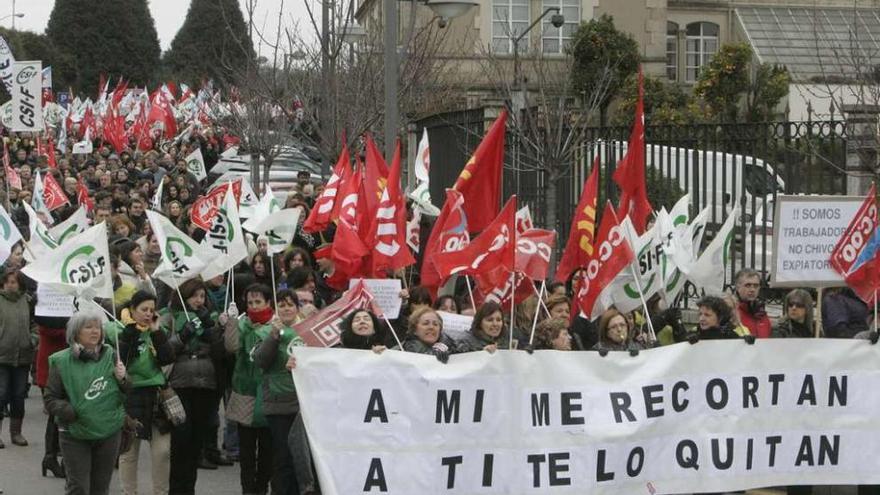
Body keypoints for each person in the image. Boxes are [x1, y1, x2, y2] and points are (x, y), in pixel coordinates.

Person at [44, 309, 128, 495]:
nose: (94, 331)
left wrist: (123, 379)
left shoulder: (111, 355)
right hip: (74, 433)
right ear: (75, 333)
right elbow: (50, 399)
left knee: (100, 488)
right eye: (88, 327)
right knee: (79, 487)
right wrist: (71, 411)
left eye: (97, 327)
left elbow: (127, 391)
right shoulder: (61, 361)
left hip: (108, 432)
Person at [106, 290, 175, 495]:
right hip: (131, 393)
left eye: (152, 310)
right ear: (132, 310)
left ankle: (160, 492)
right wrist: (130, 334)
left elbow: (167, 358)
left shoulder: (155, 329)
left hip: (156, 395)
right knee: (128, 451)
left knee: (162, 451)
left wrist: (156, 332)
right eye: (143, 309)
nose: (148, 314)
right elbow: (122, 360)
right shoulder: (118, 330)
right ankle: (129, 492)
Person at [159, 279, 224, 493]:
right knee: (181, 440)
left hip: (205, 383)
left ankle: (189, 488)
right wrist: (182, 336)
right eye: (194, 296)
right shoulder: (169, 317)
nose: (198, 300)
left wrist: (210, 328)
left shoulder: (211, 317)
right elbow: (163, 350)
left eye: (202, 296)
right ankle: (176, 489)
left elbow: (221, 348)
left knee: (197, 441)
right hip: (180, 381)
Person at [253, 290, 309, 495]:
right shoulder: (266, 331)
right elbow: (260, 361)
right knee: (283, 457)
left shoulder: (307, 330)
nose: (286, 309)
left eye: (290, 304)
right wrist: (273, 336)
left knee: (301, 458)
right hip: (279, 403)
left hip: (303, 403)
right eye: (281, 305)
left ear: (297, 307)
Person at [221, 284, 274, 495]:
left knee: (267, 453)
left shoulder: (276, 326)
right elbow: (231, 347)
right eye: (250, 303)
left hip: (270, 396)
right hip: (246, 393)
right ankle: (248, 491)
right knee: (247, 453)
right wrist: (232, 322)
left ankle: (261, 488)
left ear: (269, 303)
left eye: (258, 302)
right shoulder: (243, 324)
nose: (253, 306)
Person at [34, 310, 70, 478]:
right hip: (52, 367)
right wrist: (72, 330)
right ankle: (52, 456)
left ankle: (52, 456)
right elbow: (46, 328)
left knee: (59, 415)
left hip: (66, 366)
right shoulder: (46, 308)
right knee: (56, 414)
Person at [0, 268, 32, 448]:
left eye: (13, 282)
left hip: (23, 356)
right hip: (1, 357)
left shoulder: (27, 301)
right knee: (1, 394)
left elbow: (35, 325)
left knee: (19, 395)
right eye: (7, 282)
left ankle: (16, 432)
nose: (10, 285)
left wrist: (32, 339)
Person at [733, 268, 771, 338]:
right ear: (738, 287)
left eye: (756, 286)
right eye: (748, 285)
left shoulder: (762, 314)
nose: (752, 289)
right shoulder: (731, 312)